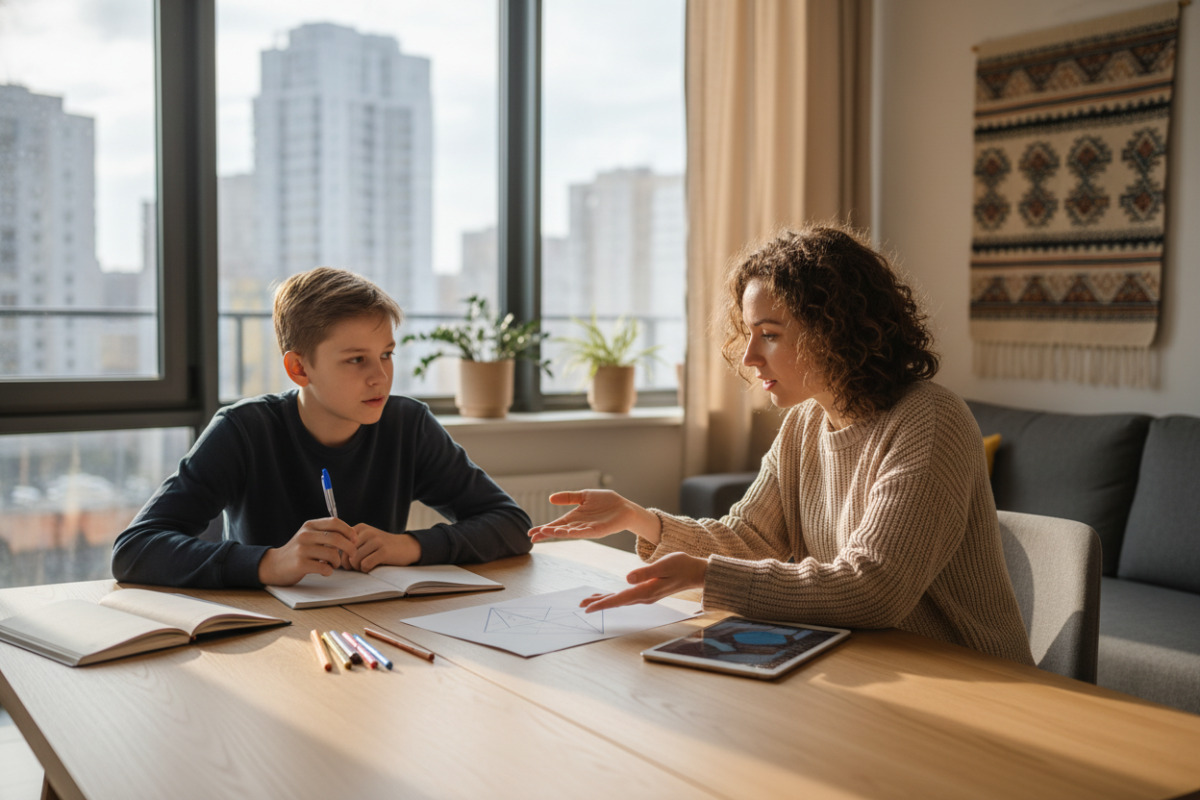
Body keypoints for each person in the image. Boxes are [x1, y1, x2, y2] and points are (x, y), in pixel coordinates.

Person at [529, 225, 1034, 665]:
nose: (749, 357)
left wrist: (706, 575)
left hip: (969, 675)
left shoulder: (929, 421)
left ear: (835, 332)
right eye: (749, 334)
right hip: (871, 661)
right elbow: (750, 538)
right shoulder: (804, 425)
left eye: (769, 334)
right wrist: (640, 518)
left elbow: (874, 590)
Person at [113, 267, 532, 588]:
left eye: (386, 355)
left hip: (377, 629)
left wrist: (411, 546)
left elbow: (512, 524)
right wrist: (270, 563)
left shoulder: (407, 424)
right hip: (269, 638)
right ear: (299, 368)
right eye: (356, 359)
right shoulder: (244, 430)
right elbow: (135, 550)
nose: (380, 377)